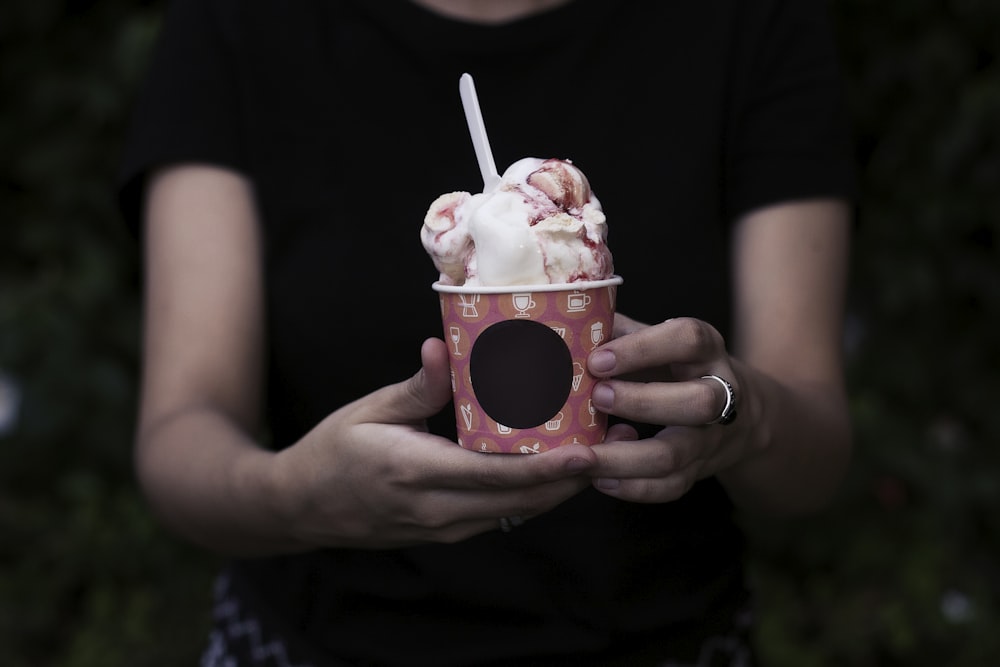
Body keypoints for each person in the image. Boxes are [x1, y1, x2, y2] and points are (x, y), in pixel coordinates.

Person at [118, 0, 856, 664]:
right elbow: (180, 432)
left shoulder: (754, 21)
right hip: (307, 643)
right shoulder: (235, 22)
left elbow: (814, 460)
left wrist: (744, 414)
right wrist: (296, 496)